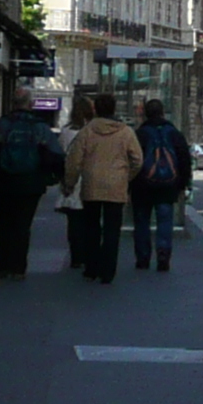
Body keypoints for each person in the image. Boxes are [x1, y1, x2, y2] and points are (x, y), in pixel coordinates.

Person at [66, 91, 143, 284]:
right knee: (112, 229)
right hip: (116, 185)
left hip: (91, 184)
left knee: (91, 228)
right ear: (114, 109)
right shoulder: (125, 132)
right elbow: (138, 160)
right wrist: (126, 176)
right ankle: (108, 271)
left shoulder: (87, 131)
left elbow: (74, 160)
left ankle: (91, 268)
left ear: (96, 109)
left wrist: (70, 183)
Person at [0, 99, 60, 278]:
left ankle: (3, 266)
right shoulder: (40, 127)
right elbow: (56, 154)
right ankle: (18, 268)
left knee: (4, 224)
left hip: (4, 182)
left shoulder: (2, 125)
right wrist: (52, 177)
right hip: (31, 184)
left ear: (14, 105)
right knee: (23, 225)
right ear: (30, 105)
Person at [129, 97, 189, 274]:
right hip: (167, 186)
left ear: (145, 114)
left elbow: (133, 160)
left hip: (143, 186)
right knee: (165, 220)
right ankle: (163, 256)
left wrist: (130, 184)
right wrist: (182, 184)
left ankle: (142, 258)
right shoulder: (174, 132)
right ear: (163, 112)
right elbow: (184, 160)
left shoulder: (140, 134)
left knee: (141, 222)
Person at [52, 95, 89, 272]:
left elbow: (60, 155)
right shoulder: (91, 132)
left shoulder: (66, 132)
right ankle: (87, 254)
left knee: (73, 222)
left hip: (70, 180)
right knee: (89, 220)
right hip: (89, 179)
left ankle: (76, 256)